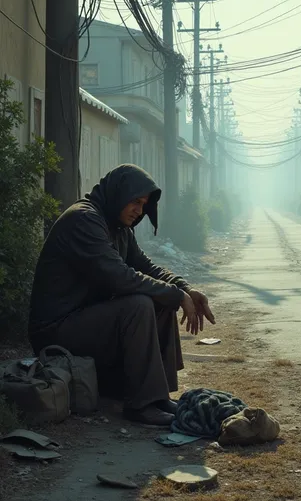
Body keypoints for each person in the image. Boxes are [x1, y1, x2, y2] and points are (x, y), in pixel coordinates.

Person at [28, 164, 215, 427]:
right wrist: (175, 295)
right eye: (135, 202)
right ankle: (141, 405)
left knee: (158, 300)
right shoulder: (83, 219)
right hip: (55, 330)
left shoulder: (117, 226)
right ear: (118, 193)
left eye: (144, 204)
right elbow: (119, 277)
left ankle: (157, 396)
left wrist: (183, 288)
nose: (139, 210)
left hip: (85, 321)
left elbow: (145, 266)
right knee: (138, 304)